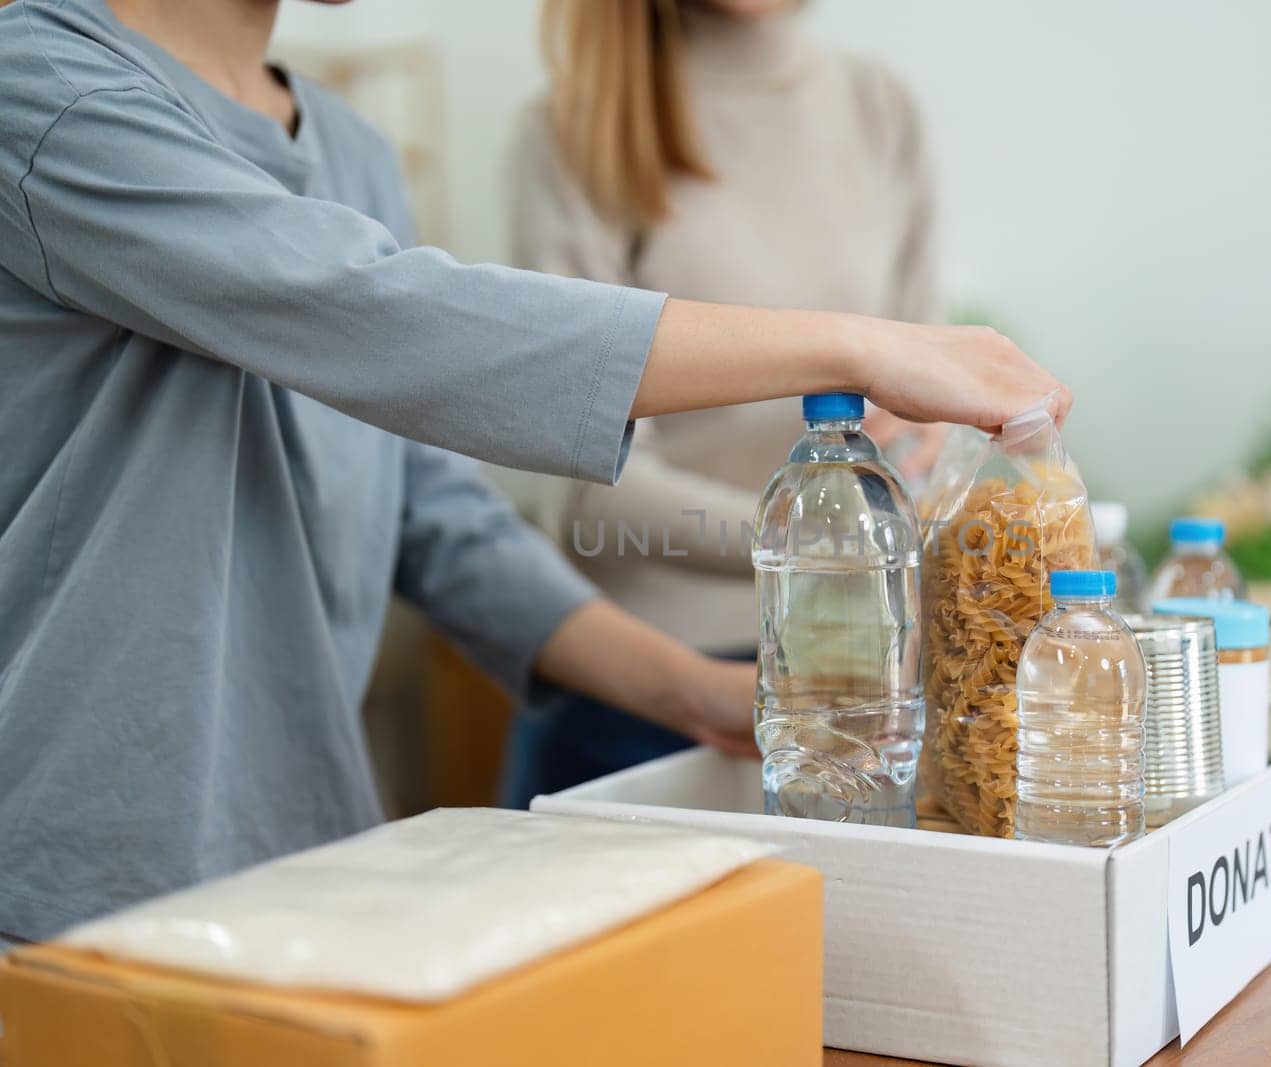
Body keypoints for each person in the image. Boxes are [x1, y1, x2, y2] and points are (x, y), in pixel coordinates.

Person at [0, 0, 1068, 943]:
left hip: (302, 859)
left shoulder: (353, 154)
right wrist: (853, 345)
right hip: (81, 875)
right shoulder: (35, 88)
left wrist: (691, 691)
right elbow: (378, 313)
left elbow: (436, 516)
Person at [490, 0, 948, 802]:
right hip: (644, 698)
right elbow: (587, 482)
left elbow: (919, 390)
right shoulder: (575, 130)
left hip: (859, 681)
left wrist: (920, 445)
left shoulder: (881, 108)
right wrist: (821, 544)